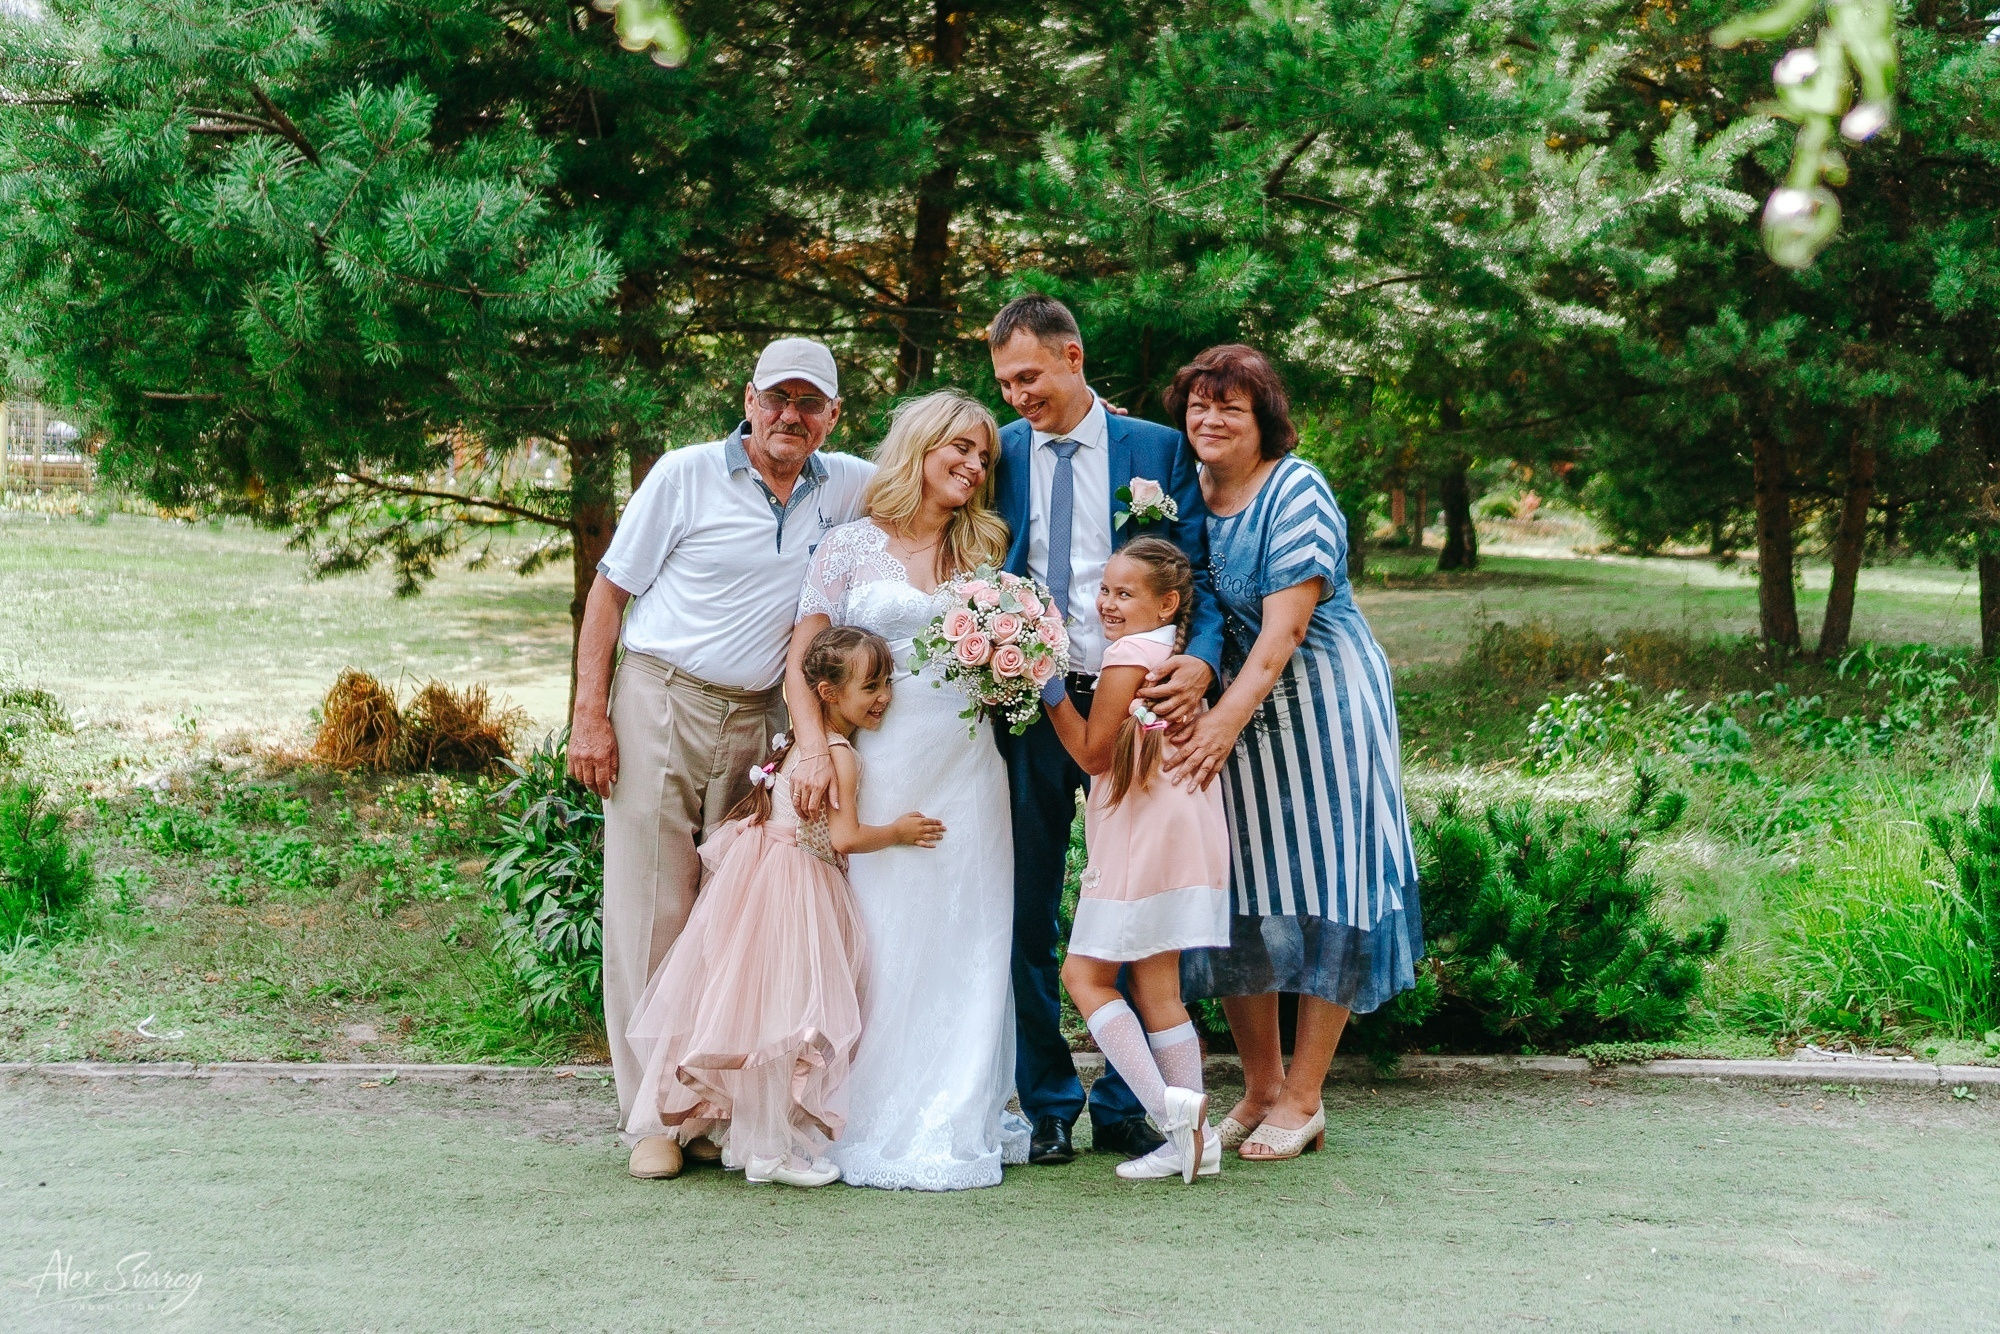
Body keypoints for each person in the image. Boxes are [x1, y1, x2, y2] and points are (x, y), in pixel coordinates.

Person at [568, 337, 874, 1181]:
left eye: (810, 403)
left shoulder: (846, 485)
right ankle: (651, 1121)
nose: (791, 416)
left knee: (731, 916)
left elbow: (925, 488)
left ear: (833, 417)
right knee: (651, 911)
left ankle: (709, 1111)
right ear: (748, 399)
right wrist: (589, 715)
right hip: (662, 699)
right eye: (777, 398)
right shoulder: (684, 473)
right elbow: (609, 593)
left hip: (761, 719)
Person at [1166, 345, 1424, 1161]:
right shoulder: (1188, 491)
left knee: (1324, 880)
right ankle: (1262, 1085)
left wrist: (1219, 724)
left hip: (1322, 703)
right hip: (1232, 708)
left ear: (1263, 420)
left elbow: (1284, 635)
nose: (1209, 420)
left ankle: (1307, 1097)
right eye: (1199, 406)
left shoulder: (1296, 488)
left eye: (1229, 408)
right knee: (1239, 882)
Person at [987, 293, 1223, 1165]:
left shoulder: (1156, 452)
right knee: (1029, 906)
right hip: (1034, 705)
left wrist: (1198, 663)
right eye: (1005, 382)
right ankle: (1048, 1102)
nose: (1016, 396)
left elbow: (1197, 575)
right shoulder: (1000, 455)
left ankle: (1132, 1104)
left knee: (1136, 908)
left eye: (1029, 377)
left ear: (1073, 357)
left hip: (1143, 709)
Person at [785, 389, 1030, 1190]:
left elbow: (1004, 664)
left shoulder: (984, 551)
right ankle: (867, 1108)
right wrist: (818, 751)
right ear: (920, 449)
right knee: (884, 936)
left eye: (984, 455)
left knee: (969, 933)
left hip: (966, 769)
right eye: (958, 447)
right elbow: (803, 663)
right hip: (882, 767)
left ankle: (959, 1111)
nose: (972, 464)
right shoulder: (849, 546)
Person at [623, 627, 942, 1188]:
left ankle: (755, 1142)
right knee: (792, 1014)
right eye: (871, 685)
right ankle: (769, 1148)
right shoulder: (839, 757)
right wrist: (896, 831)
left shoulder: (795, 740)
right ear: (826, 691)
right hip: (799, 884)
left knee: (762, 1008)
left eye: (888, 681)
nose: (885, 696)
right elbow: (843, 838)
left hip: (759, 874)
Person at [1044, 538, 1232, 1183]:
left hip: (1143, 833)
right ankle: (1197, 1140)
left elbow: (1094, 755)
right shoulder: (1171, 656)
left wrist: (1049, 694)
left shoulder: (1128, 656)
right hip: (1182, 823)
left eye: (1126, 594)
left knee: (1084, 977)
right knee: (1158, 986)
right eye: (1106, 590)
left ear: (1168, 603)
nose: (1108, 604)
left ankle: (1174, 1119)